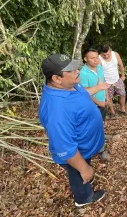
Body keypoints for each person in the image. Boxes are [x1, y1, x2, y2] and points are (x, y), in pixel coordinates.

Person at [38, 54, 110, 207]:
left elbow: (82, 94)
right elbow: (65, 148)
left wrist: (98, 88)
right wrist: (84, 169)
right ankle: (83, 198)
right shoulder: (56, 110)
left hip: (85, 147)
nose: (77, 71)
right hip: (78, 154)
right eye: (70, 70)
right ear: (57, 78)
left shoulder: (69, 85)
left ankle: (85, 176)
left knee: (81, 171)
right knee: (78, 174)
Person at [79, 48, 108, 120]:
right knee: (93, 126)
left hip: (103, 103)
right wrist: (99, 103)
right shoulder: (83, 73)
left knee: (101, 123)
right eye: (92, 58)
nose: (96, 60)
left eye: (97, 57)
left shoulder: (99, 67)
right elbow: (85, 92)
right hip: (92, 106)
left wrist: (107, 97)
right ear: (85, 59)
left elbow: (104, 81)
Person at [99, 45, 127, 118]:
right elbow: (99, 72)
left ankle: (122, 109)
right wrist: (103, 83)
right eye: (104, 55)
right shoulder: (99, 59)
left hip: (117, 79)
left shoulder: (115, 55)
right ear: (101, 53)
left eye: (108, 54)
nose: (106, 56)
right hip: (106, 81)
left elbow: (121, 65)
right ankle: (112, 111)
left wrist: (123, 75)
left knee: (122, 94)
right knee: (109, 97)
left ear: (110, 50)